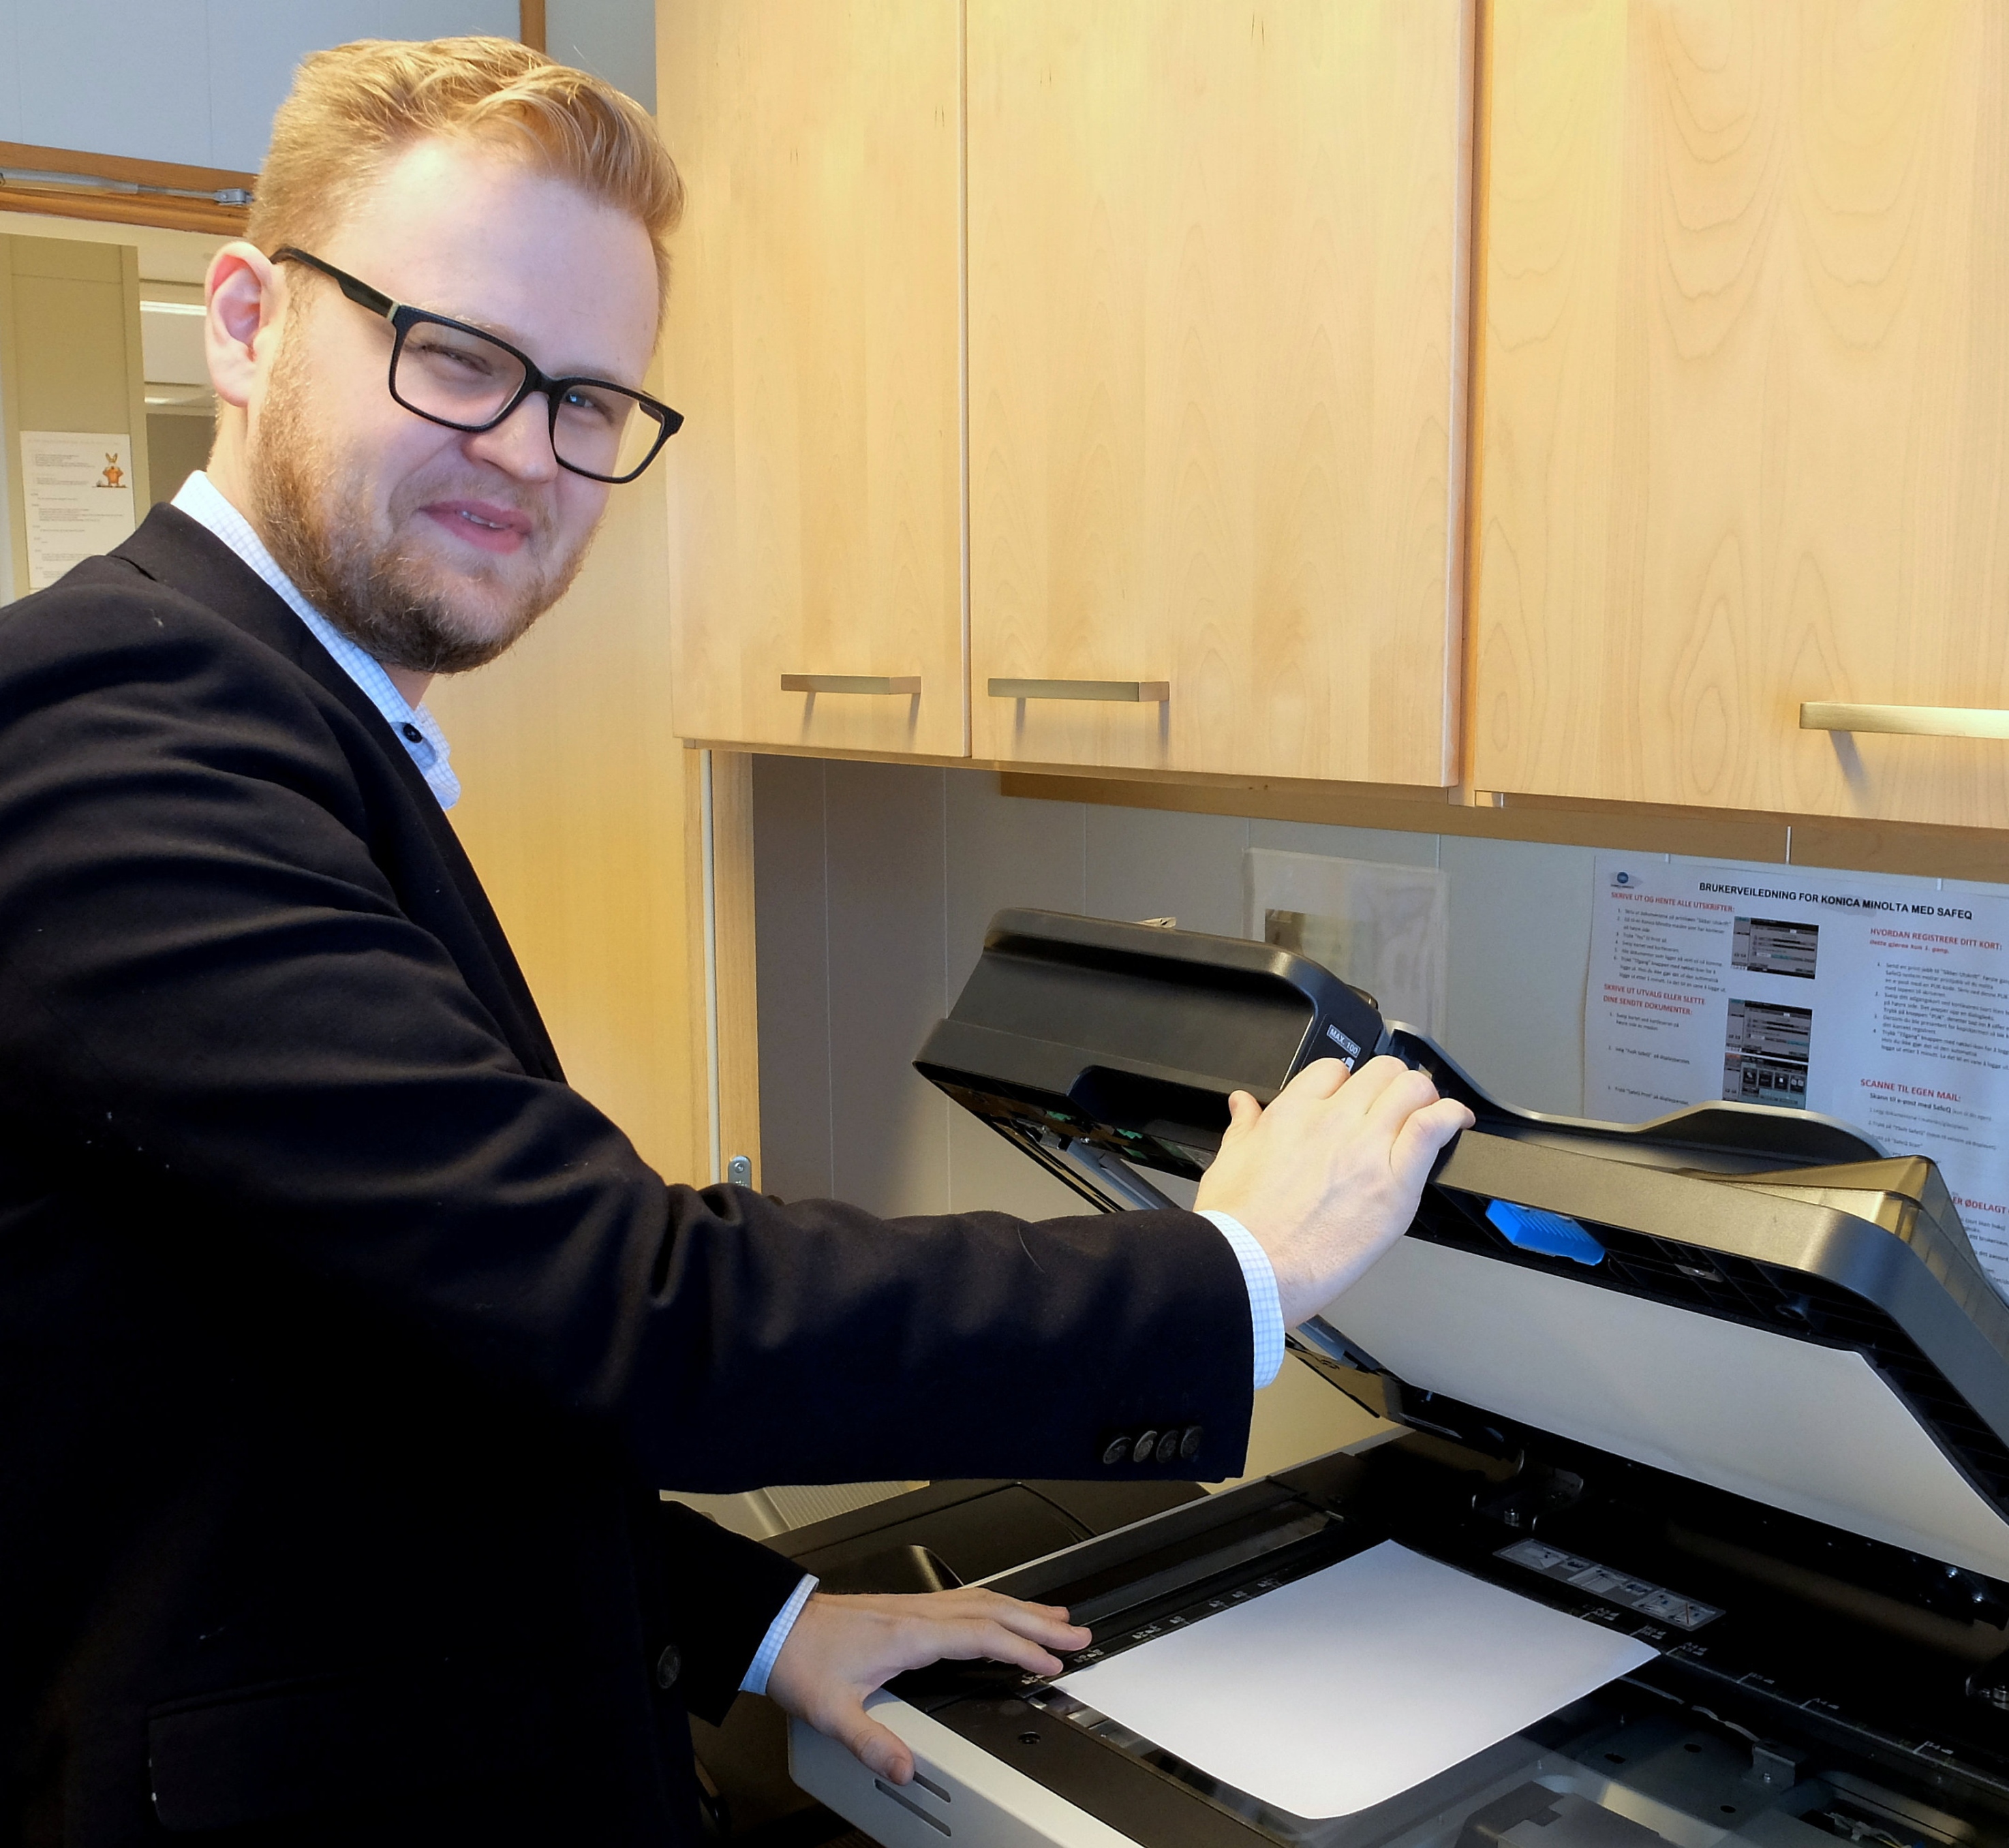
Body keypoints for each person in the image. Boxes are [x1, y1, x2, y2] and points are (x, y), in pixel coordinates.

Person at [0, 37, 1472, 1847]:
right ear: (246, 323)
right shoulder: (113, 712)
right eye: (454, 355)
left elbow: (392, 1357)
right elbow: (617, 1302)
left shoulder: (290, 714)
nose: (523, 456)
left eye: (591, 403)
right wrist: (1230, 1272)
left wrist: (754, 1617)